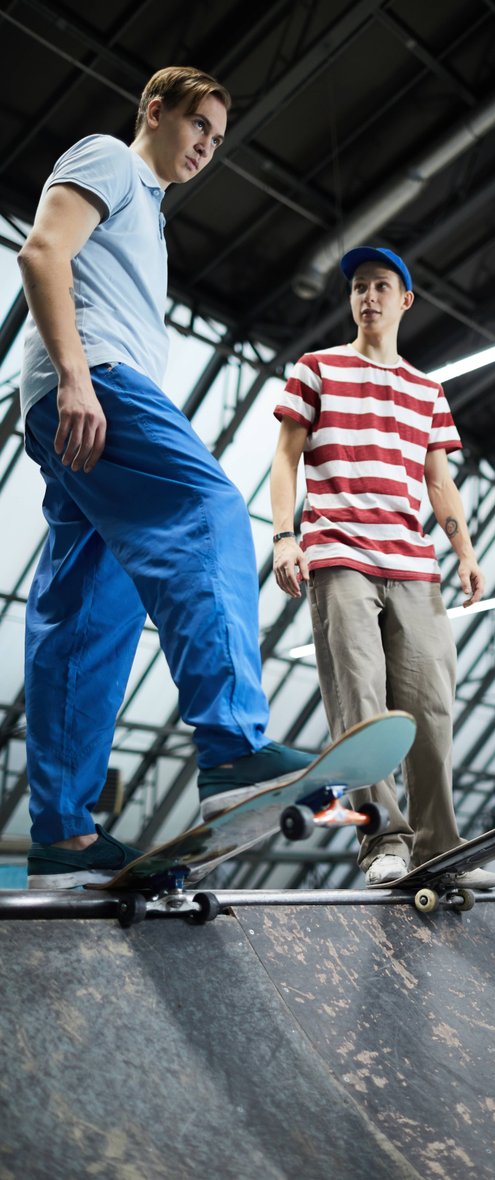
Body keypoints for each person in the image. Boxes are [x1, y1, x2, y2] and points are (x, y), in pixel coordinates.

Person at [19, 66, 312, 890]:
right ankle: (234, 750)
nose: (206, 149)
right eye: (197, 129)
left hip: (78, 404)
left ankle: (64, 837)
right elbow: (42, 252)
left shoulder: (147, 214)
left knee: (83, 615)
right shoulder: (111, 158)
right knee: (210, 507)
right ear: (156, 111)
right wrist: (77, 377)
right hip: (97, 387)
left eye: (217, 142)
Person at [270, 246, 495, 889]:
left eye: (381, 286)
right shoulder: (316, 369)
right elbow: (285, 458)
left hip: (413, 564)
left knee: (431, 704)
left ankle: (438, 848)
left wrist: (465, 551)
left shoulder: (427, 389)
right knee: (362, 703)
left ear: (405, 301)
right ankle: (383, 842)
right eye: (358, 287)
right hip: (339, 554)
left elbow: (439, 480)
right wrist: (286, 537)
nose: (368, 296)